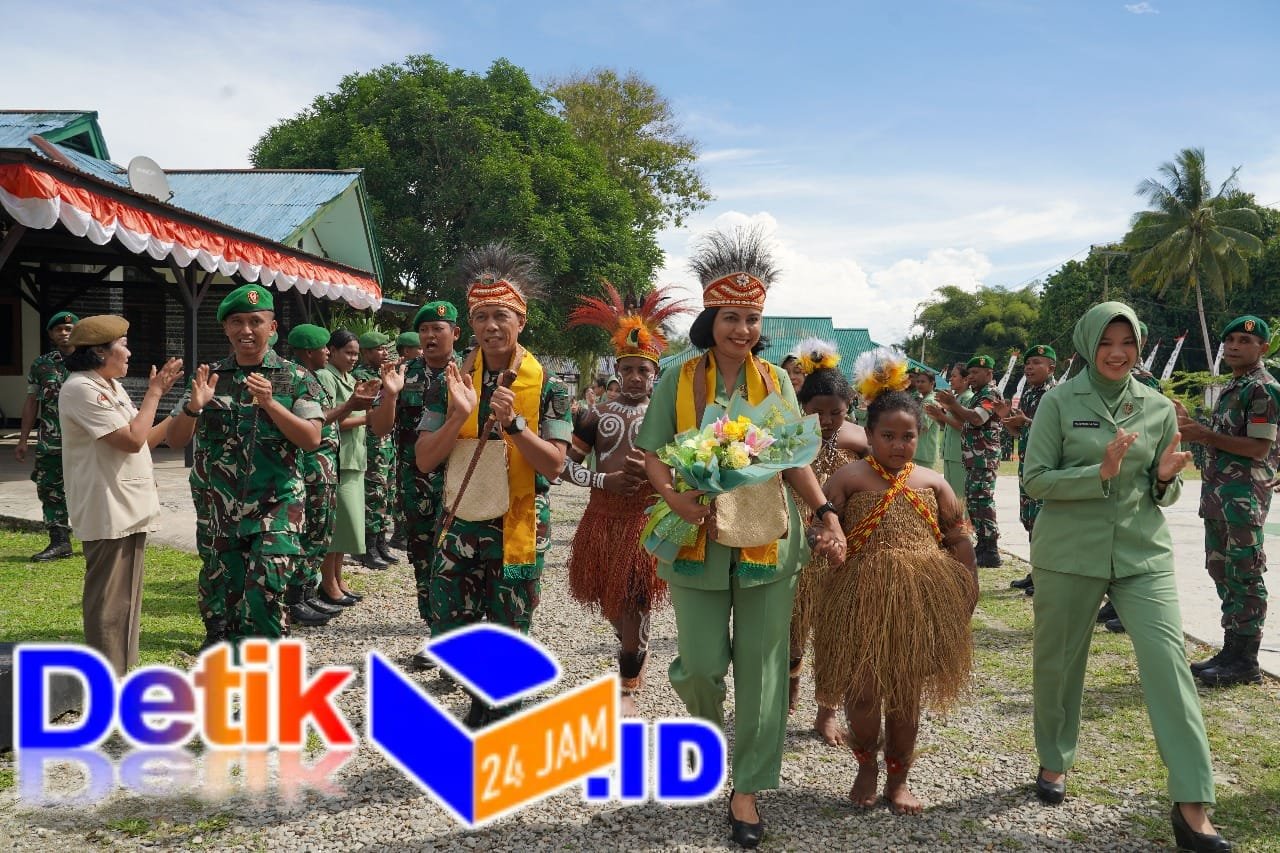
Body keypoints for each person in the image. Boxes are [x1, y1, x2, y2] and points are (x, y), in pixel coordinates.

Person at [636, 227, 846, 849]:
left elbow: (794, 460)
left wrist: (825, 512)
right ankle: (712, 737)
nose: (743, 329)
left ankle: (748, 787)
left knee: (762, 669)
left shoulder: (777, 383)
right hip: (695, 534)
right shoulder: (677, 378)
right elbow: (653, 453)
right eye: (731, 317)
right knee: (701, 666)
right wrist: (673, 496)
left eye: (753, 319)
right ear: (711, 319)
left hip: (767, 539)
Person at [1024, 301, 1232, 853]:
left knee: (1169, 666)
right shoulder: (1058, 402)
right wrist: (1100, 471)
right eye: (1106, 343)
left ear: (1139, 346)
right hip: (1069, 552)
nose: (1117, 354)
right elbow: (1036, 479)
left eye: (1128, 343)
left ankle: (1192, 802)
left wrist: (1164, 478)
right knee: (1059, 663)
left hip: (1142, 554)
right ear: (1087, 345)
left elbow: (1164, 490)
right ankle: (1054, 759)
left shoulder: (1158, 406)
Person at [414, 243, 573, 726]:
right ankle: (481, 699)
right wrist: (458, 415)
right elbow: (425, 458)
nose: (491, 326)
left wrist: (516, 427)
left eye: (501, 315)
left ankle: (499, 717)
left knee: (509, 627)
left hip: (517, 523)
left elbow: (555, 466)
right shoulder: (451, 381)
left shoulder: (548, 385)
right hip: (460, 520)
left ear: (521, 321)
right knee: (450, 624)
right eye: (481, 316)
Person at [814, 348, 976, 815]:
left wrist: (968, 583)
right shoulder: (849, 478)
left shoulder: (933, 482)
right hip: (858, 598)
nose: (899, 445)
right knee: (863, 691)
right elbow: (820, 523)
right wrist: (824, 538)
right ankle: (866, 765)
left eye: (908, 436)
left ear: (920, 436)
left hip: (918, 601)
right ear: (868, 435)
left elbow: (957, 537)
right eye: (888, 436)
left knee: (906, 696)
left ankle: (898, 778)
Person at [167, 284, 325, 646]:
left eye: (256, 321)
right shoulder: (210, 378)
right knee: (225, 586)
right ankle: (228, 645)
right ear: (226, 328)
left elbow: (311, 438)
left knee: (267, 584)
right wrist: (193, 407)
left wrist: (271, 403)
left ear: (273, 327)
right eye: (237, 321)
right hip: (220, 506)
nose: (246, 330)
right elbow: (175, 440)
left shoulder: (296, 378)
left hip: (277, 503)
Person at [562, 282, 691, 715]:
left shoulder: (669, 417)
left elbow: (685, 468)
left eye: (644, 371)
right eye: (629, 369)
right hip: (601, 519)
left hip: (646, 520)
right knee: (612, 605)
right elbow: (565, 467)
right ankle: (634, 649)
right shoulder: (595, 415)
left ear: (656, 374)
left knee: (634, 599)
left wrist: (662, 480)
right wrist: (606, 481)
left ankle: (628, 685)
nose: (636, 377)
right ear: (617, 371)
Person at [58, 315, 183, 675]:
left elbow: (146, 438)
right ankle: (105, 678)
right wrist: (155, 393)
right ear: (100, 352)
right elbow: (130, 440)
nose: (129, 353)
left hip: (127, 505)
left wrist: (186, 408)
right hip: (106, 507)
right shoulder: (81, 388)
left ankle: (121, 672)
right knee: (108, 601)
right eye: (123, 346)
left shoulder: (110, 386)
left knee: (126, 600)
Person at [1177, 315, 1280, 688]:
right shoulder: (1234, 386)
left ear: (1262, 348)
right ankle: (1231, 650)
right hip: (1220, 496)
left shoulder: (1262, 389)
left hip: (1244, 497)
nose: (1235, 346)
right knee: (1221, 570)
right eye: (1230, 340)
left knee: (1245, 574)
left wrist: (1204, 435)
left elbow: (1258, 447)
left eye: (1245, 341)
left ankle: (1246, 660)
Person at [371, 300, 462, 669]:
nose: (429, 336)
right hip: (416, 485)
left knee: (462, 559)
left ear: (455, 333)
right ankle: (437, 633)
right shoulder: (402, 373)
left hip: (463, 483)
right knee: (424, 560)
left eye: (438, 329)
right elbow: (379, 427)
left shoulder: (471, 372)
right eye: (424, 330)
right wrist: (391, 394)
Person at [786, 338, 860, 747]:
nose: (828, 421)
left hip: (841, 550)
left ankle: (827, 712)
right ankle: (790, 683)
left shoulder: (860, 440)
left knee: (838, 634)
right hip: (795, 542)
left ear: (849, 408)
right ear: (802, 407)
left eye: (837, 412)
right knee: (792, 629)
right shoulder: (790, 438)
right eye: (818, 412)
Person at [282, 324, 347, 629]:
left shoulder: (313, 378)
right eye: (323, 348)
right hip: (311, 468)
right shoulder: (296, 380)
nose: (327, 353)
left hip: (325, 466)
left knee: (321, 531)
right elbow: (313, 423)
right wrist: (351, 406)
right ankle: (295, 598)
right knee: (309, 534)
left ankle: (308, 592)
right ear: (309, 352)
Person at [316, 330, 380, 606]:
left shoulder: (351, 379)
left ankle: (338, 579)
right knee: (336, 526)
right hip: (337, 458)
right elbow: (333, 420)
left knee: (345, 527)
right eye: (348, 352)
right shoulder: (325, 377)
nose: (353, 358)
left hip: (354, 458)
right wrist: (367, 418)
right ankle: (327, 583)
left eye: (355, 353)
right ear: (332, 350)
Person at [17, 311, 78, 561]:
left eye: (69, 328)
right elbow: (32, 401)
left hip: (86, 441)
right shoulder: (41, 365)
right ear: (51, 335)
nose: (64, 333)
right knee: (50, 488)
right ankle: (60, 541)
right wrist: (23, 439)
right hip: (51, 441)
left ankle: (99, 539)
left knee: (92, 487)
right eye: (58, 330)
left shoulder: (93, 360)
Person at [937, 355, 1004, 567]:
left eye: (976, 373)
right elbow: (967, 419)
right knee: (974, 501)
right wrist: (951, 406)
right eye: (970, 373)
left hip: (984, 458)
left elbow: (977, 418)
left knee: (983, 501)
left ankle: (991, 550)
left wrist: (953, 404)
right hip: (974, 458)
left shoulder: (991, 394)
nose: (971, 377)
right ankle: (982, 545)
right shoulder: (978, 395)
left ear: (989, 374)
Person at [1002, 344, 1057, 596]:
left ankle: (1047, 576)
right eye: (1027, 364)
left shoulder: (1055, 395)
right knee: (1030, 521)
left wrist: (1025, 421)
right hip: (1027, 466)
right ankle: (1037, 572)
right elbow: (1019, 433)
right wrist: (1008, 420)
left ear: (1051, 368)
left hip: (1045, 467)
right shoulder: (1029, 393)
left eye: (1036, 363)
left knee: (1045, 524)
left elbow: (1056, 430)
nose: (1029, 368)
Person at [355, 331, 396, 569]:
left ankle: (381, 541)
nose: (384, 352)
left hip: (387, 442)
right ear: (366, 352)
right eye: (379, 349)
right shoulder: (361, 376)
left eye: (385, 348)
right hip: (371, 442)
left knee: (387, 492)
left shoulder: (384, 373)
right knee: (373, 494)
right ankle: (367, 547)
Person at [926, 363, 969, 518]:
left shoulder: (967, 398)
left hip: (959, 454)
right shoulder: (956, 399)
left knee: (960, 496)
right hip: (951, 454)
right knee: (952, 495)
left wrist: (942, 415)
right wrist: (938, 417)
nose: (950, 379)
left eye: (954, 376)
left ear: (965, 379)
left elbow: (963, 426)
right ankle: (956, 525)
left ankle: (964, 528)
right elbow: (948, 426)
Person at [909, 367, 940, 469]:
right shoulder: (925, 399)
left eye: (923, 382)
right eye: (918, 381)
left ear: (932, 383)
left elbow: (923, 426)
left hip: (923, 453)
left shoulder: (929, 401)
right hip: (921, 452)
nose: (919, 384)